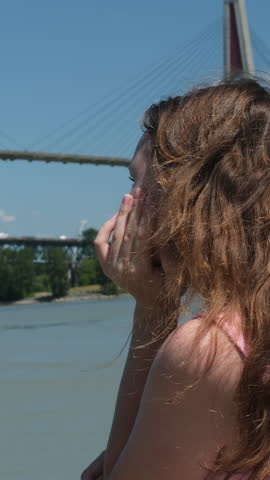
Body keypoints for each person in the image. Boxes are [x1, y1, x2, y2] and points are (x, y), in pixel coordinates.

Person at [81, 77, 270, 480]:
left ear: (185, 194)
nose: (121, 211)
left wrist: (154, 309)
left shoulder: (211, 352)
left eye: (136, 183)